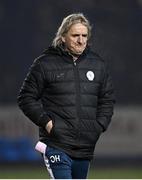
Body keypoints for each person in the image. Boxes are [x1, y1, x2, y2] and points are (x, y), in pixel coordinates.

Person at [17, 13, 115, 179]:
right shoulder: (45, 63)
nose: (81, 40)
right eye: (75, 35)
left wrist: (98, 126)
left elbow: (107, 99)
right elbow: (26, 98)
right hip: (56, 144)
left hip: (85, 146)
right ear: (63, 37)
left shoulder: (98, 65)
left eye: (84, 35)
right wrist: (47, 123)